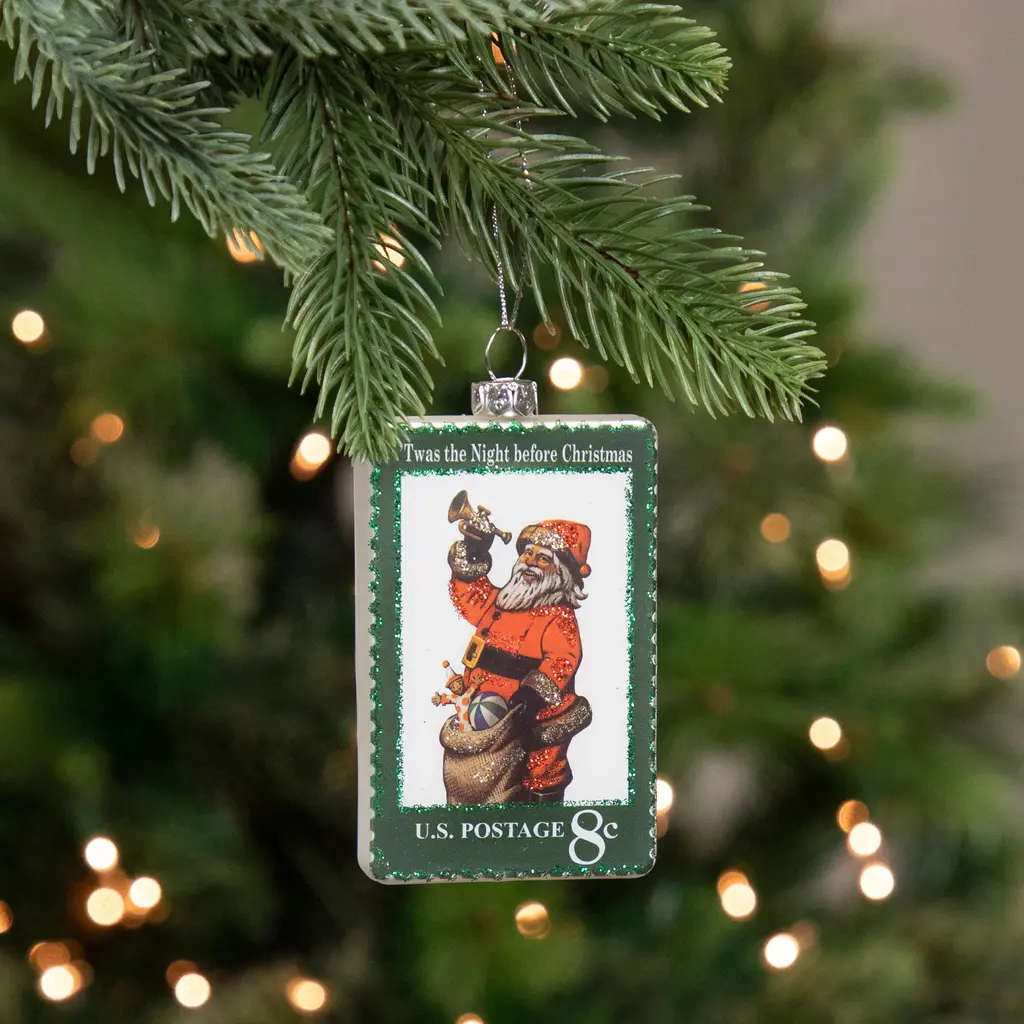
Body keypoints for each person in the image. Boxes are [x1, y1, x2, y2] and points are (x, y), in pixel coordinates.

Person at [447, 510, 593, 802]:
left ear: (561, 572)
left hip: (528, 714)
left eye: (543, 558)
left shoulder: (558, 617)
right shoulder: (500, 601)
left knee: (539, 766)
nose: (530, 562)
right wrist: (474, 552)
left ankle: (540, 811)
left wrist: (531, 695)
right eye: (528, 553)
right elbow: (469, 596)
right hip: (482, 709)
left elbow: (562, 658)